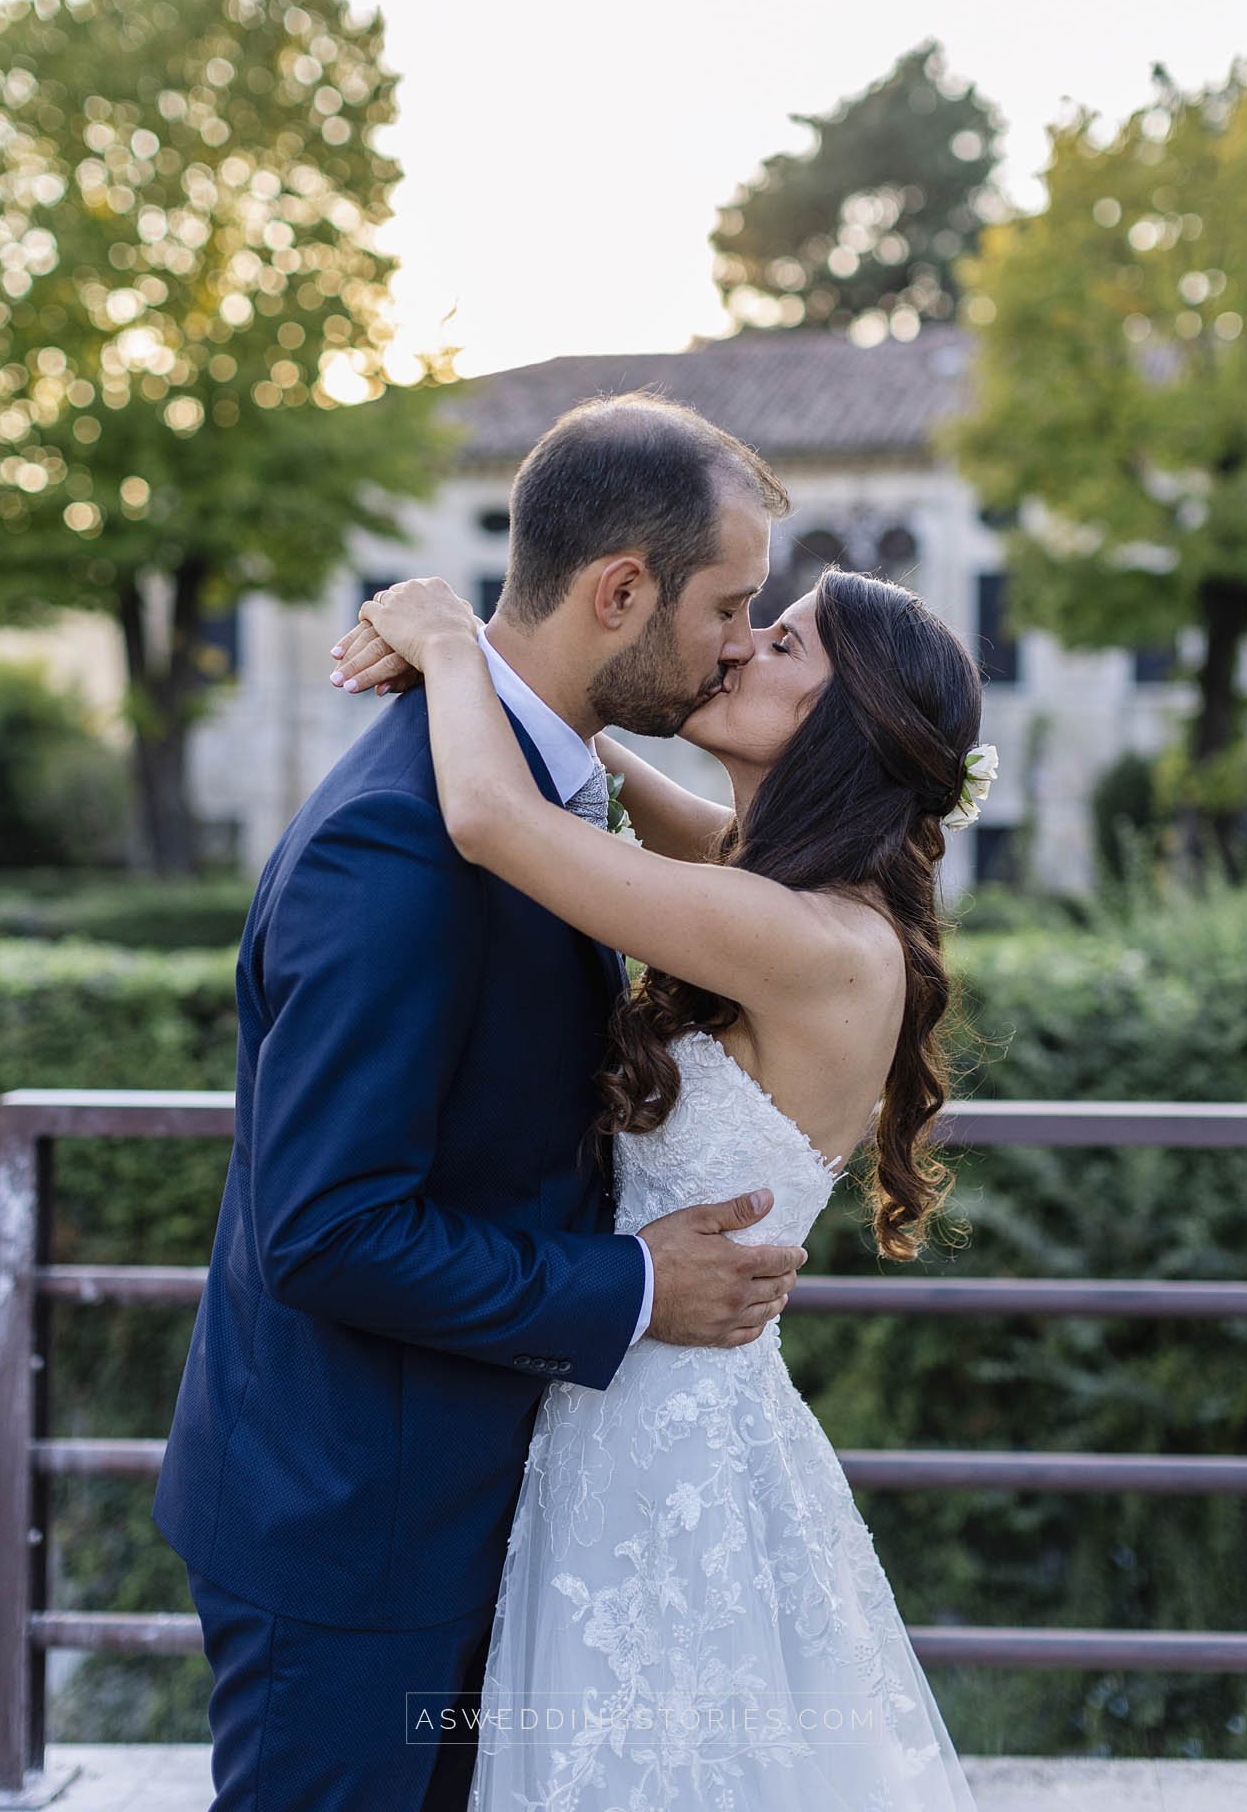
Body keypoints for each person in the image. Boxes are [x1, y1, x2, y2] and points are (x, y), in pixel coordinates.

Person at [151, 392, 810, 1812]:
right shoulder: (397, 845)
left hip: (469, 1507)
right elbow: (325, 1230)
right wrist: (630, 1286)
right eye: (728, 605)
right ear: (620, 592)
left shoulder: (532, 783)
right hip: (356, 1538)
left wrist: (456, 647)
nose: (738, 644)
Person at [334, 552, 993, 1810]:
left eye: (781, 643)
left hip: (660, 1429)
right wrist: (509, 654)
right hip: (638, 1388)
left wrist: (446, 638)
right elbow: (601, 780)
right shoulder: (780, 885)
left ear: (838, 727)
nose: (739, 646)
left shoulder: (804, 937)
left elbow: (493, 819)